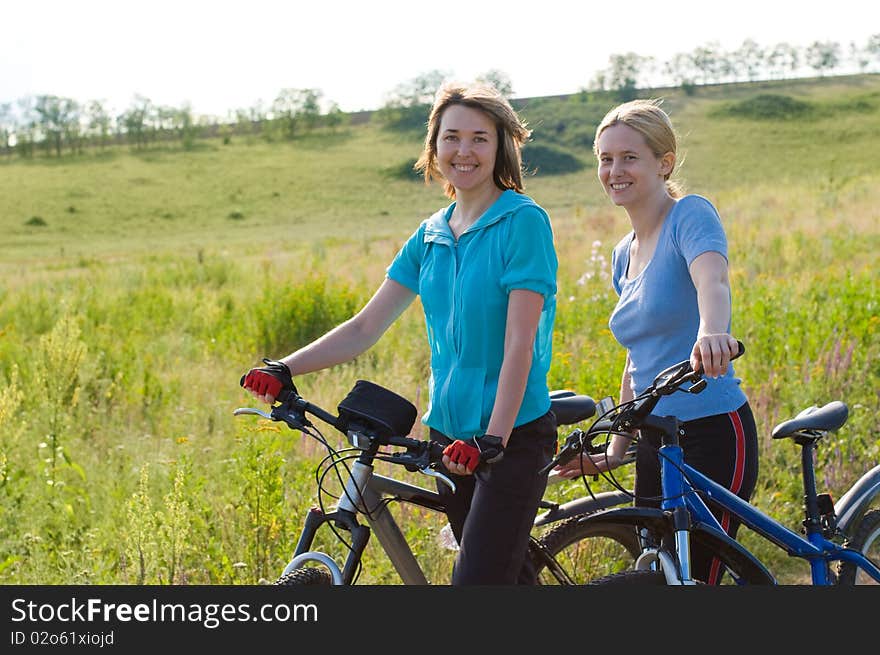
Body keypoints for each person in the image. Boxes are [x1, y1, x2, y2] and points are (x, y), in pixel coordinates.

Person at [241, 82, 559, 585]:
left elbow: (520, 344)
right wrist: (285, 366)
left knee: (475, 583)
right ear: (434, 146)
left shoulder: (523, 223)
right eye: (452, 137)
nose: (464, 151)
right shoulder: (430, 234)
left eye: (479, 138)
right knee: (506, 577)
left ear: (500, 146)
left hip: (510, 436)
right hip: (448, 436)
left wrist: (493, 439)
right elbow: (366, 326)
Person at [554, 98, 758, 585]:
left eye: (629, 157)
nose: (614, 170)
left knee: (694, 577)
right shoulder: (623, 254)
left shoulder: (690, 215)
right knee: (658, 570)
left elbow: (713, 280)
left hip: (711, 429)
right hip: (654, 439)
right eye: (605, 158)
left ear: (664, 163)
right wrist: (618, 448)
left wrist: (712, 332)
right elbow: (637, 363)